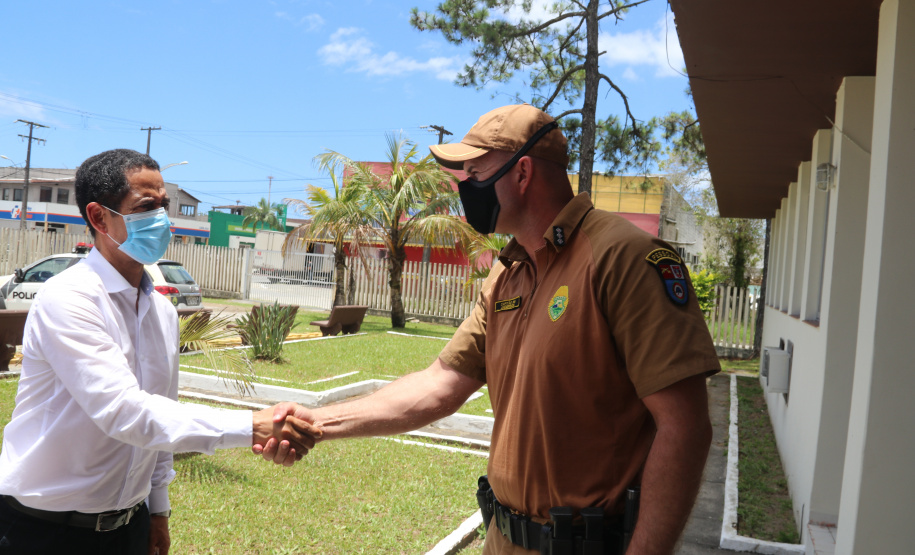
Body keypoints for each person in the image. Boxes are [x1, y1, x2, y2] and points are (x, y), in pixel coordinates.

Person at [260, 104, 721, 554]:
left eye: (477, 174)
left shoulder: (623, 259)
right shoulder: (507, 275)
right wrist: (317, 422)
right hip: (502, 538)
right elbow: (440, 385)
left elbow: (685, 428)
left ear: (522, 174)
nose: (467, 187)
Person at [0, 149, 315, 555]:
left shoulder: (161, 312)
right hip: (44, 532)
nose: (163, 219)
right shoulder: (69, 299)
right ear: (99, 218)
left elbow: (162, 413)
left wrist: (158, 510)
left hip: (128, 527)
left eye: (164, 205)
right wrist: (252, 426)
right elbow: (126, 413)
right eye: (147, 207)